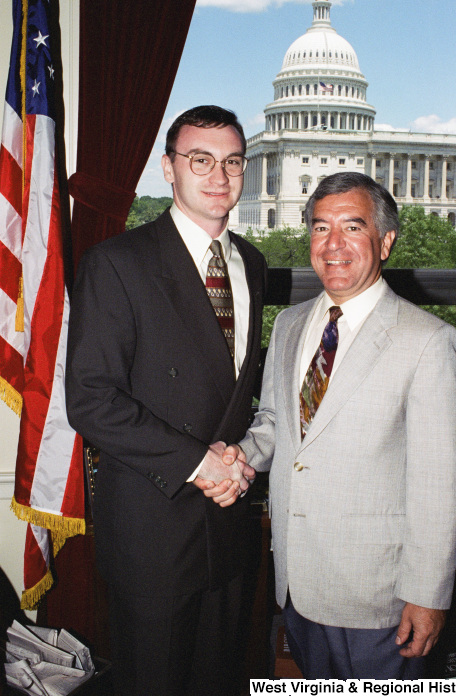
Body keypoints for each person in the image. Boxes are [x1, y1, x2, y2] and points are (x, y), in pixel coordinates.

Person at [203, 172, 456, 679]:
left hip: (380, 597)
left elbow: (440, 483)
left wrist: (428, 595)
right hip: (298, 582)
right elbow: (279, 423)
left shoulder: (428, 340)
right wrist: (239, 456)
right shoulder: (290, 323)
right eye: (321, 228)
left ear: (386, 240)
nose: (334, 245)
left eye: (352, 227)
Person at [65, 106, 267, 696]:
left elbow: (234, 395)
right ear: (168, 169)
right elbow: (92, 400)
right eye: (199, 160)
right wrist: (201, 464)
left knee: (220, 679)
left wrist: (233, 466)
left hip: (229, 525)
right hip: (154, 533)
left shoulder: (252, 264)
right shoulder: (117, 263)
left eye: (232, 162)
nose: (218, 176)